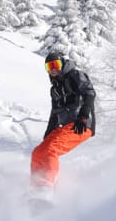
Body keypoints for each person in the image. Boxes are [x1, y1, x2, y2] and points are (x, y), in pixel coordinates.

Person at [30, 51, 96, 190]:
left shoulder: (75, 75)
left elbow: (89, 93)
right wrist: (47, 136)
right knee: (38, 153)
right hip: (66, 126)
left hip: (81, 124)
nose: (53, 69)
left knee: (51, 150)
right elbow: (54, 115)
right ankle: (35, 186)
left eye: (56, 65)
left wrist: (83, 116)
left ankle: (46, 187)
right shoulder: (54, 89)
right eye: (49, 67)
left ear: (62, 64)